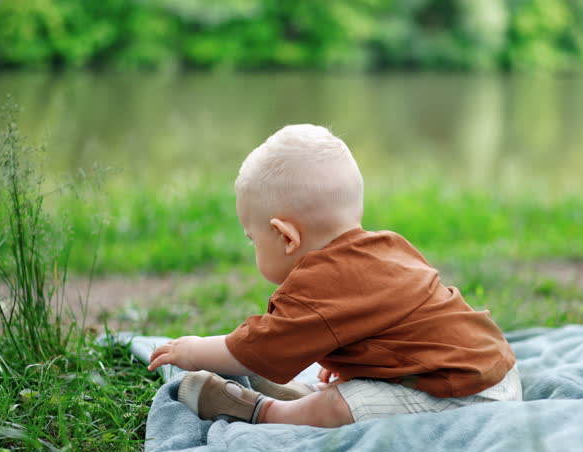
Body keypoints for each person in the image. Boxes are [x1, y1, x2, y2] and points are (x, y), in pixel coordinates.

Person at [148, 124, 521, 428]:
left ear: (285, 236)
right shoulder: (387, 245)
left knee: (340, 406)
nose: (253, 249)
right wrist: (351, 364)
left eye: (253, 240)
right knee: (353, 393)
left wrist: (193, 350)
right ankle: (310, 396)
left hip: (464, 397)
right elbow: (393, 324)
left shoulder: (319, 284)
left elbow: (256, 348)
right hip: (494, 370)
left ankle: (262, 411)